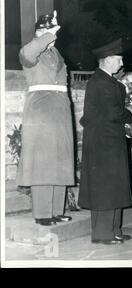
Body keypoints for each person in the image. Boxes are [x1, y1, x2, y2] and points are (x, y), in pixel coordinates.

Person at [16, 12, 75, 226]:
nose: (52, 35)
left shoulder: (55, 53)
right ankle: (42, 213)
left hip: (60, 111)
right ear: (38, 32)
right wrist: (46, 36)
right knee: (42, 161)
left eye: (53, 31)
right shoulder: (33, 50)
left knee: (60, 159)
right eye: (46, 31)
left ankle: (56, 210)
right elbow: (26, 53)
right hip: (41, 111)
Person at [79, 38, 132, 244]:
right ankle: (103, 233)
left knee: (114, 185)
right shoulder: (100, 82)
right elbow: (114, 112)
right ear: (106, 60)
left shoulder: (108, 81)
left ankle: (114, 229)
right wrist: (131, 114)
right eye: (118, 59)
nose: (122, 64)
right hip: (102, 143)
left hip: (110, 141)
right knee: (105, 187)